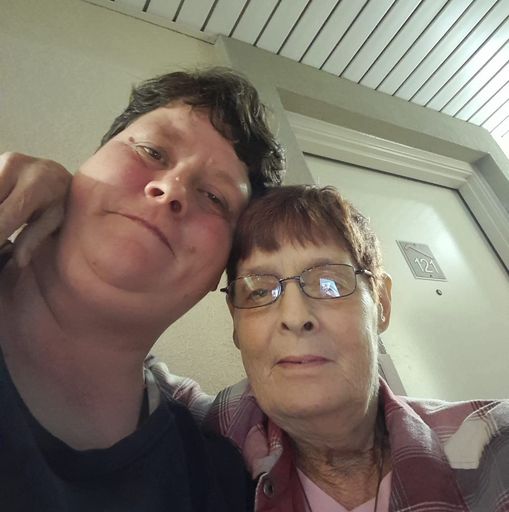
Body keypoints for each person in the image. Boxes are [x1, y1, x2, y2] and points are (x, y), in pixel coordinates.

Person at [0, 67, 284, 511]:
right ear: (83, 168)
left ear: (220, 274)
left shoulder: (213, 482)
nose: (171, 189)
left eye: (215, 198)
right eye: (151, 151)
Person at [203, 184, 509, 511]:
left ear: (381, 303)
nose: (294, 317)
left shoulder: (494, 445)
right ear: (235, 322)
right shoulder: (202, 435)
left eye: (329, 283)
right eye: (260, 292)